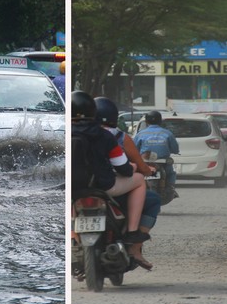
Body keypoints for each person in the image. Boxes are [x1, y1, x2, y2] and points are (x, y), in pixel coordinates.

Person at [71, 91, 150, 249]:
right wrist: (132, 168)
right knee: (140, 180)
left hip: (74, 188)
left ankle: (72, 236)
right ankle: (132, 231)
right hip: (104, 185)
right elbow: (123, 168)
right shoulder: (106, 136)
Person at [95, 96, 160, 270]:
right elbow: (133, 167)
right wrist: (142, 170)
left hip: (82, 185)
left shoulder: (76, 132)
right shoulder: (118, 137)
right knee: (152, 199)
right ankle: (135, 246)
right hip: (111, 185)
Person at [133, 110, 180, 194]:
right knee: (171, 173)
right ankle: (171, 188)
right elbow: (175, 149)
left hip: (145, 163)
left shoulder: (140, 134)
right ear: (160, 121)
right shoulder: (168, 133)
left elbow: (134, 149)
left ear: (146, 121)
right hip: (163, 163)